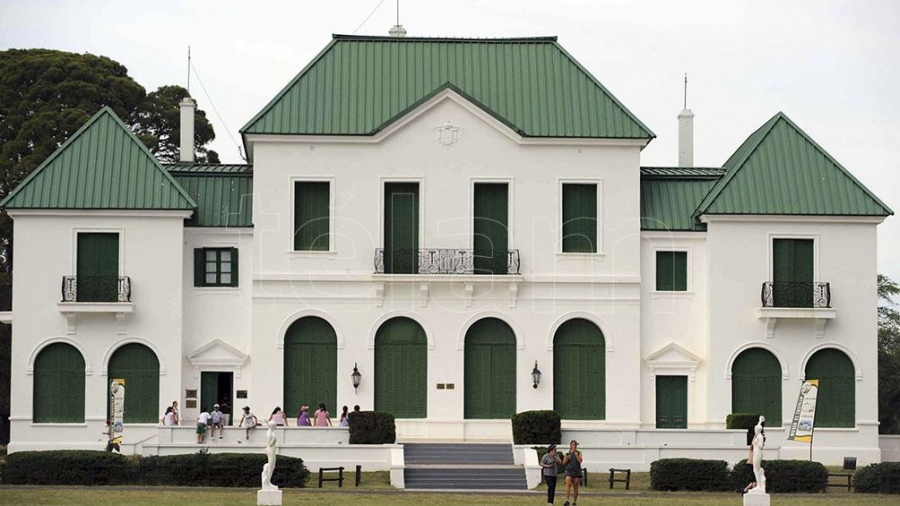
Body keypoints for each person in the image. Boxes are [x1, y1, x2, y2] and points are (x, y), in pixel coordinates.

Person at [562, 440, 583, 506]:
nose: (574, 446)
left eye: (575, 444)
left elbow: (580, 461)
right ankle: (567, 500)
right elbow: (563, 463)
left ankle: (574, 501)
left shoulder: (579, 453)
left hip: (576, 471)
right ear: (570, 445)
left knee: (575, 486)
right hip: (569, 470)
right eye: (573, 444)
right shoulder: (567, 453)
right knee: (568, 484)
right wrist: (567, 459)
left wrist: (576, 455)